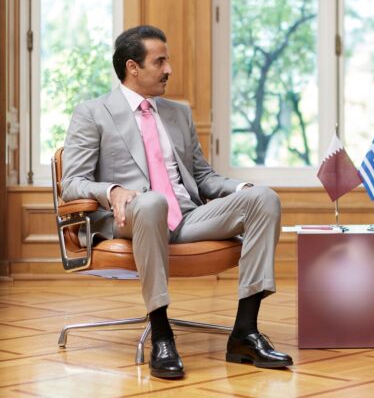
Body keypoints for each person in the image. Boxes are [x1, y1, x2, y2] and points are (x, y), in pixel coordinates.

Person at [61, 25, 292, 379]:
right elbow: (71, 183)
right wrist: (113, 191)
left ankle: (245, 332)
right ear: (132, 67)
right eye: (160, 61)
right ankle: (162, 335)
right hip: (130, 217)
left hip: (186, 217)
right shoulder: (93, 113)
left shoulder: (178, 114)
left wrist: (241, 187)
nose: (169, 69)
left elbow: (202, 176)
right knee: (152, 202)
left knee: (264, 198)